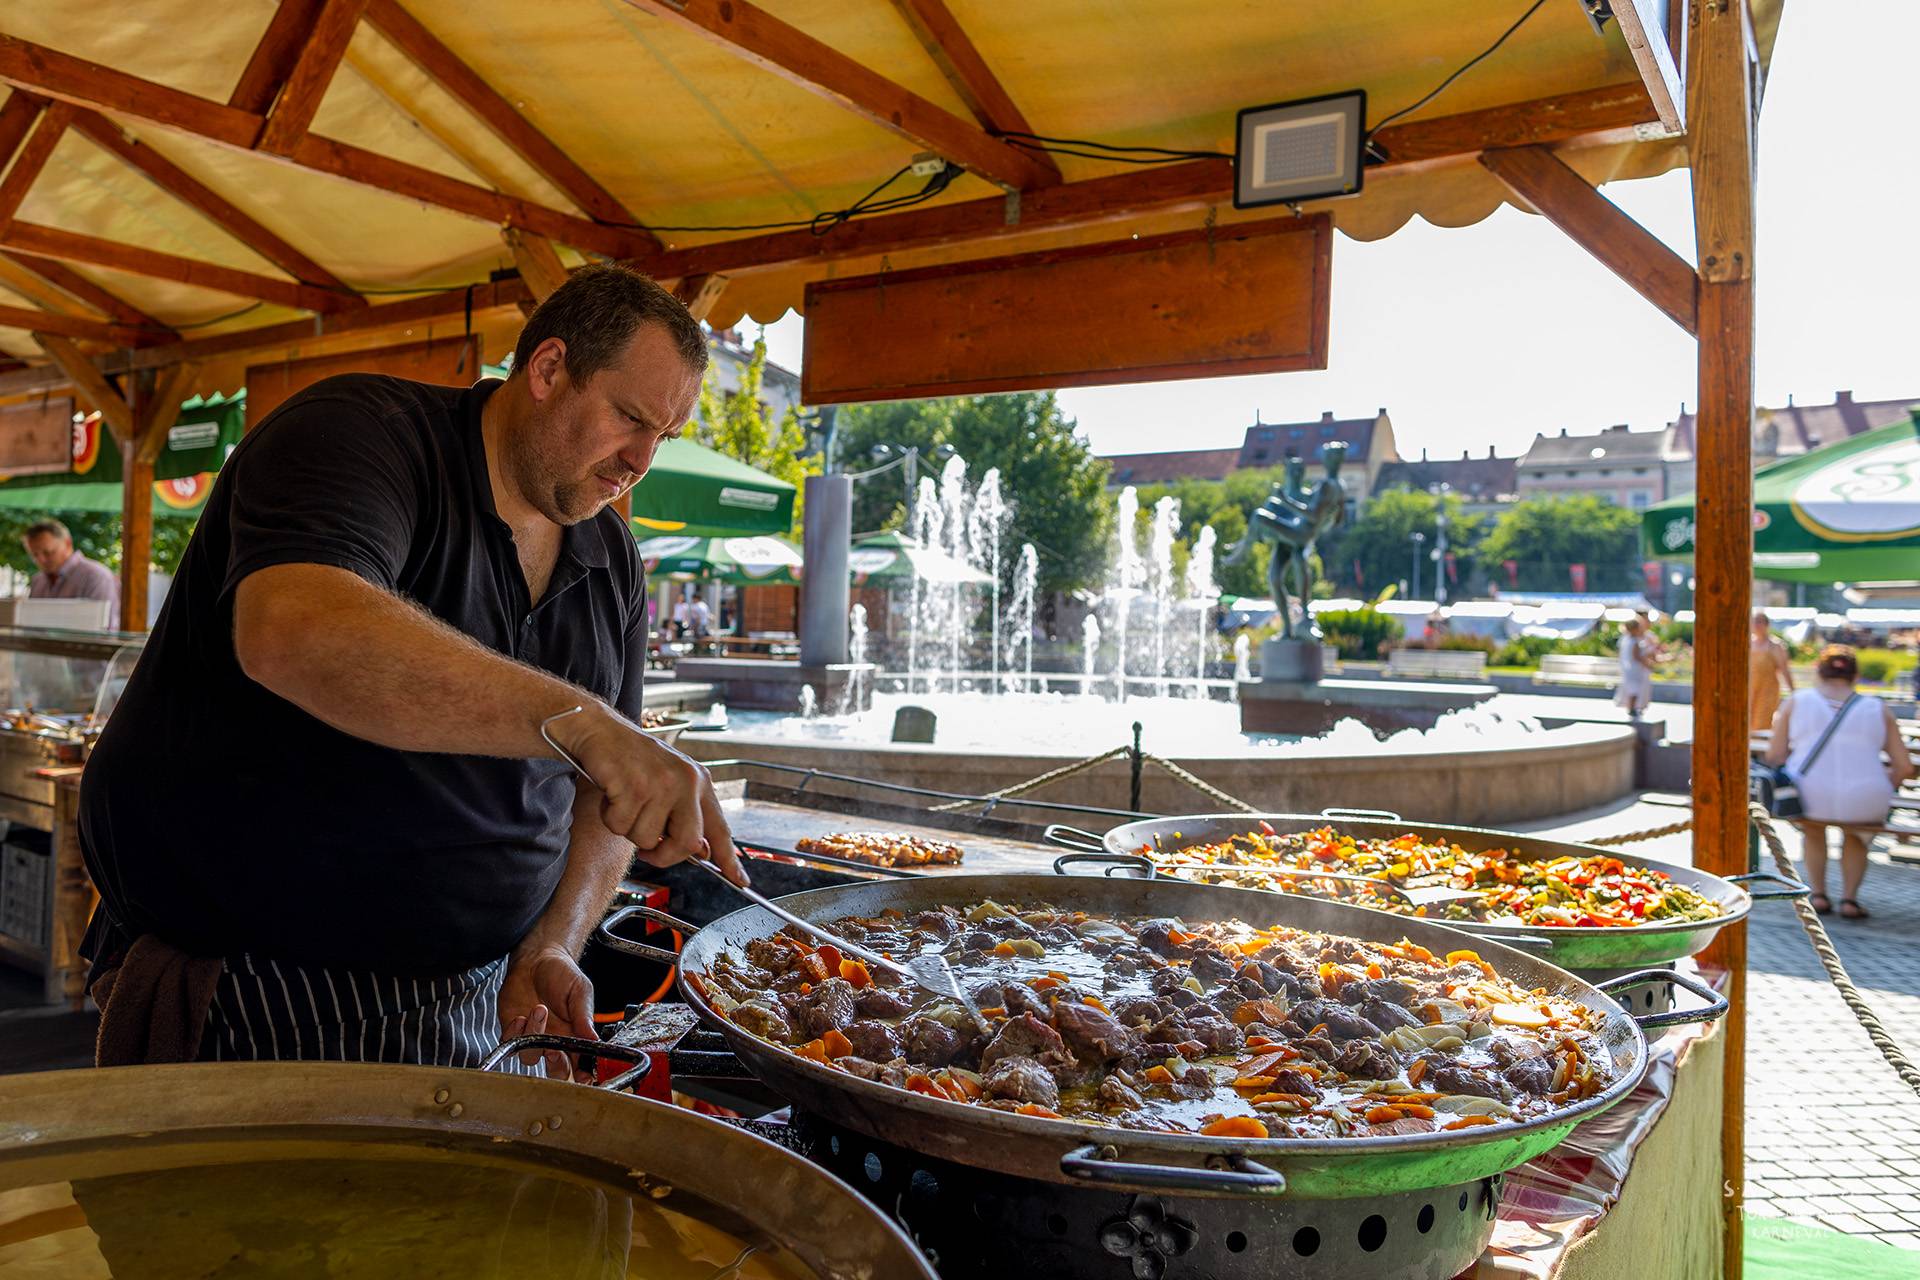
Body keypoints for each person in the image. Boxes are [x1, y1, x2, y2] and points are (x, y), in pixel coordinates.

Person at [78, 264, 745, 1074]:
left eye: (662, 437)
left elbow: (601, 801)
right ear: (547, 369)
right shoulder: (361, 432)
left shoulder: (611, 558)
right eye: (629, 418)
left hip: (487, 999)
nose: (639, 459)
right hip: (260, 988)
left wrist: (553, 941)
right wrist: (581, 723)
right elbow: (292, 631)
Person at [1764, 645, 1913, 919]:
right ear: (1855, 676)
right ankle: (1849, 899)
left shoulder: (1797, 701)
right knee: (1856, 836)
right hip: (1866, 794)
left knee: (1813, 831)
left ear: (1818, 672)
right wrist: (1885, 785)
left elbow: (1774, 755)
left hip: (1809, 791)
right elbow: (1904, 766)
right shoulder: (1877, 708)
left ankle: (1818, 894)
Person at [23, 518, 121, 629]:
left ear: (67, 543)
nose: (41, 560)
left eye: (48, 552)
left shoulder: (96, 576)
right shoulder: (38, 581)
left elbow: (104, 630)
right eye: (34, 555)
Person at [1747, 611, 1794, 733]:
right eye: (1754, 622)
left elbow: (1784, 670)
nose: (1756, 625)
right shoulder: (1748, 643)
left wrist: (1793, 692)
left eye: (1760, 622)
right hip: (1750, 689)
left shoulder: (1775, 645)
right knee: (1747, 722)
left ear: (1766, 625)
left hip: (1768, 690)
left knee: (1762, 724)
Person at [1613, 615, 1656, 719]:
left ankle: (1632, 708)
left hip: (1629, 668)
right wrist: (1647, 664)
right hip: (1635, 669)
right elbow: (1637, 656)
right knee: (1635, 689)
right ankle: (1632, 708)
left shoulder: (1625, 639)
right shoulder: (1634, 641)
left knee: (1632, 688)